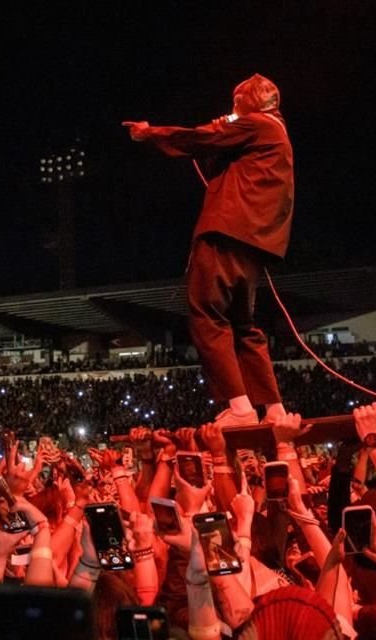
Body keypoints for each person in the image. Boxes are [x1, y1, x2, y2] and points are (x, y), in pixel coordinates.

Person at [123, 73, 293, 428]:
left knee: (207, 315)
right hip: (253, 241)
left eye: (237, 103)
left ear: (248, 102)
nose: (233, 109)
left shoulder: (258, 125)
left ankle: (242, 407)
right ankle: (273, 408)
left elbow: (203, 139)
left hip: (226, 231)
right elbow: (220, 152)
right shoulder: (274, 131)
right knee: (244, 325)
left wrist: (151, 133)